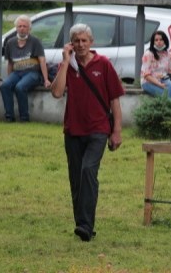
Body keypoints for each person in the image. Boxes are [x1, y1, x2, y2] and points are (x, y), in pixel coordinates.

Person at [51, 23, 124, 242]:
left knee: (87, 172)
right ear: (71, 44)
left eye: (84, 41)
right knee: (76, 178)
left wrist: (117, 131)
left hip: (98, 130)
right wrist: (65, 62)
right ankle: (82, 224)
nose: (81, 45)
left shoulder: (103, 64)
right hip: (73, 130)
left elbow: (115, 100)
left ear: (91, 42)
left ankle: (85, 224)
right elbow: (56, 92)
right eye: (76, 41)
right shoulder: (68, 65)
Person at [0, 15, 51, 122]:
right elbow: (10, 63)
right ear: (16, 28)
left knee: (20, 87)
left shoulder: (35, 41)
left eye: (24, 26)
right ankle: (9, 116)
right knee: (5, 85)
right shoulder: (10, 42)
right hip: (17, 72)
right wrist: (9, 78)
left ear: (29, 28)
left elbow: (42, 60)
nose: (22, 28)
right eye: (19, 26)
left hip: (33, 73)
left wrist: (46, 80)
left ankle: (24, 117)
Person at [140, 30, 171, 98]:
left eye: (161, 39)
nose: (158, 42)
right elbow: (146, 75)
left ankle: (169, 107)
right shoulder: (148, 54)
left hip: (163, 80)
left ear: (165, 41)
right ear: (153, 42)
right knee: (164, 94)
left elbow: (170, 70)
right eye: (156, 40)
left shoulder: (167, 54)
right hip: (148, 82)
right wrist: (159, 84)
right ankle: (168, 107)